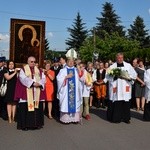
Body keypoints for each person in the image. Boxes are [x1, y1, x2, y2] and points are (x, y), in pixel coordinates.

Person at [104, 53, 137, 124]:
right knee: (117, 102)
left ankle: (126, 118)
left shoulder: (128, 66)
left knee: (126, 103)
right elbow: (107, 77)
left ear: (123, 58)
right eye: (118, 58)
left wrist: (128, 78)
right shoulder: (112, 66)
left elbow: (134, 75)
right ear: (116, 58)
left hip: (125, 86)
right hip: (117, 87)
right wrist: (114, 76)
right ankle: (116, 118)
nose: (120, 59)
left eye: (121, 58)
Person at [14, 56, 46, 130]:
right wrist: (33, 83)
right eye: (31, 61)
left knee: (37, 109)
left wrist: (40, 83)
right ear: (28, 62)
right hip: (27, 93)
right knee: (25, 109)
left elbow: (43, 78)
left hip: (36, 93)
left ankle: (37, 124)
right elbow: (23, 78)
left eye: (34, 62)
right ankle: (25, 125)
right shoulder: (23, 70)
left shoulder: (38, 70)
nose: (33, 63)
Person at [57, 57, 83, 124]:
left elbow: (82, 78)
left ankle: (75, 119)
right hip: (66, 91)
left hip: (75, 92)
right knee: (66, 104)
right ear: (67, 62)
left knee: (75, 103)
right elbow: (58, 79)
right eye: (69, 61)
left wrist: (79, 70)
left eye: (72, 61)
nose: (71, 62)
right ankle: (66, 119)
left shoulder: (76, 70)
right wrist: (66, 77)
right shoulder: (63, 70)